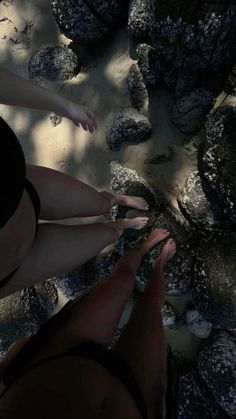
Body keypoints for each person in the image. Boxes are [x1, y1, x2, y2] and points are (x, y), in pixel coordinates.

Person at [0, 67, 149, 299]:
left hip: (26, 192)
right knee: (107, 235)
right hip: (15, 269)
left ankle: (117, 198)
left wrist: (63, 105)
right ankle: (122, 226)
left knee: (99, 204)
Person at [0, 228, 176, 419]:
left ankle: (145, 249)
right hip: (133, 401)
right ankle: (160, 263)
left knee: (123, 279)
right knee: (151, 304)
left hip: (57, 358)